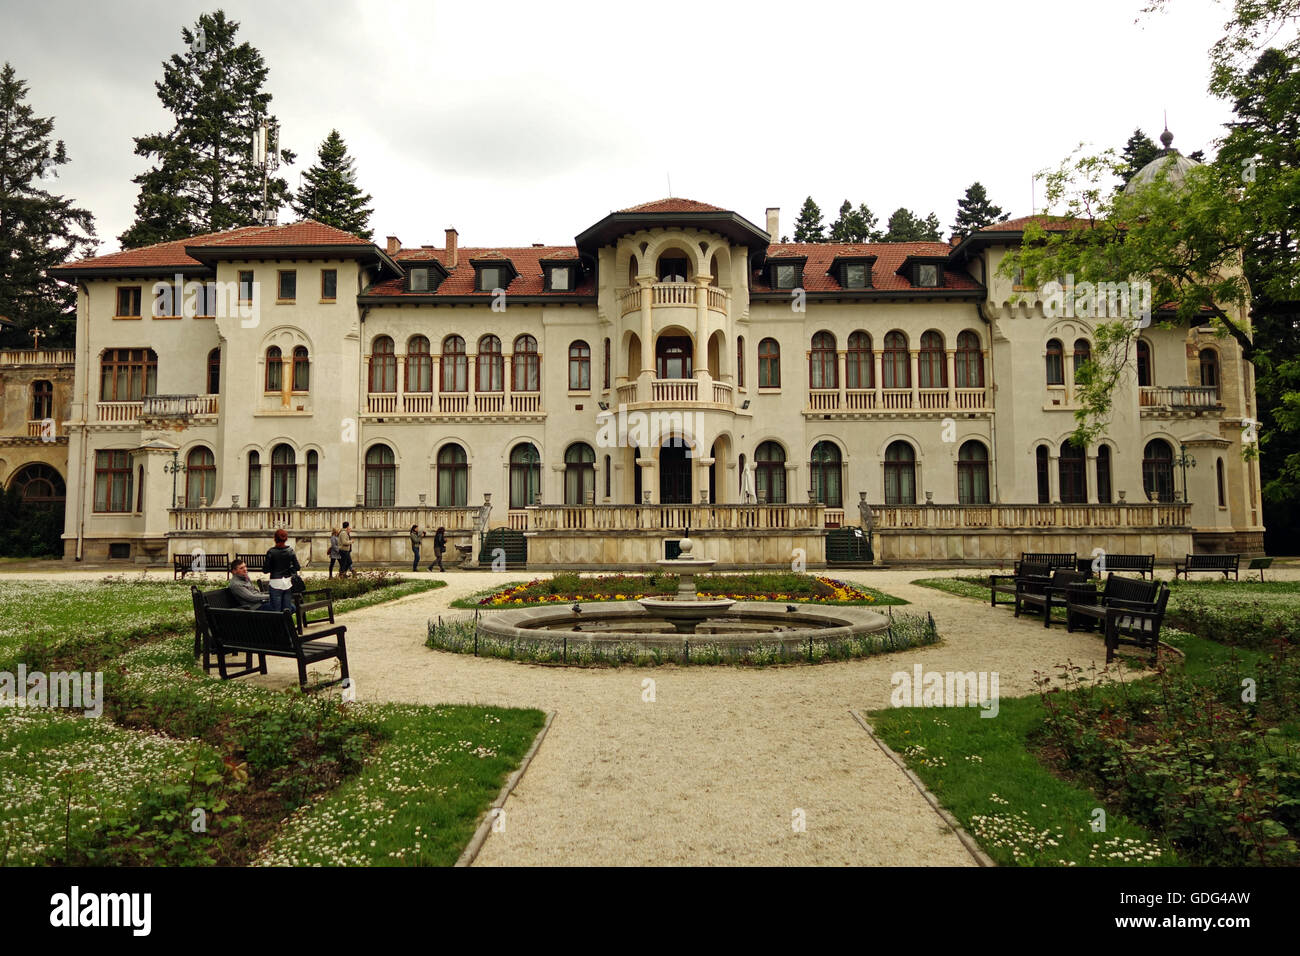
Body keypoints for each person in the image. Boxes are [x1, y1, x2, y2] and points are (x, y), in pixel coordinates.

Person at [261, 528, 301, 613]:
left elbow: (265, 570)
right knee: (287, 609)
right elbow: (297, 567)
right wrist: (289, 570)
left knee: (276, 610)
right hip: (287, 582)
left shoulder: (271, 552)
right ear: (286, 538)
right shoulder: (290, 551)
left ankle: (278, 626)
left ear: (275, 538)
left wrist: (273, 568)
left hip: (275, 582)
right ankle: (287, 626)